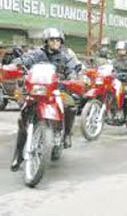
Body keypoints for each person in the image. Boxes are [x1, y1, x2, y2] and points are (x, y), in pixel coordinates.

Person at [10, 28, 80, 172]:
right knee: (23, 118)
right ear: (46, 41)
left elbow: (73, 69)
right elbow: (24, 60)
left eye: (58, 40)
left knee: (70, 105)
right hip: (37, 89)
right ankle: (18, 155)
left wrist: (72, 77)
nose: (55, 42)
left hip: (57, 90)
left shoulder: (66, 56)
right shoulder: (38, 53)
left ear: (61, 42)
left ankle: (66, 135)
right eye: (52, 40)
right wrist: (15, 64)